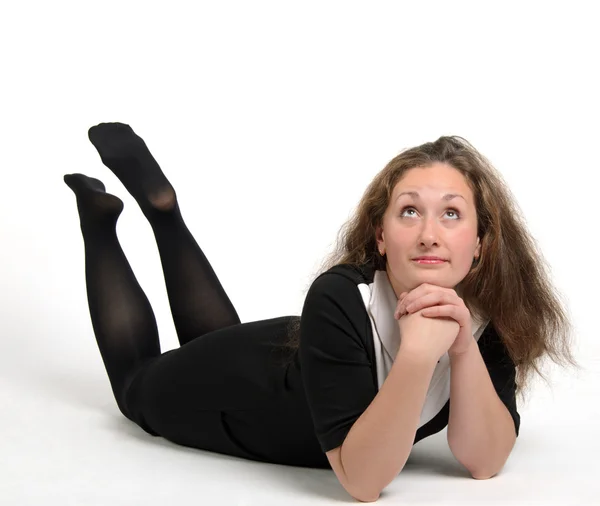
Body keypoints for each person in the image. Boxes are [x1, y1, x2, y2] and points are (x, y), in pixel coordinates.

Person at [64, 123, 578, 502]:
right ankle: (101, 222)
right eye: (409, 211)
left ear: (480, 244)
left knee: (214, 337)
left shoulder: (485, 319)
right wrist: (418, 355)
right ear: (380, 236)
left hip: (280, 363)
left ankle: (163, 210)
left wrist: (462, 348)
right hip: (242, 390)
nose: (429, 233)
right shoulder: (340, 294)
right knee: (135, 387)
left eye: (451, 212)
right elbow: (361, 480)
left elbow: (485, 461)